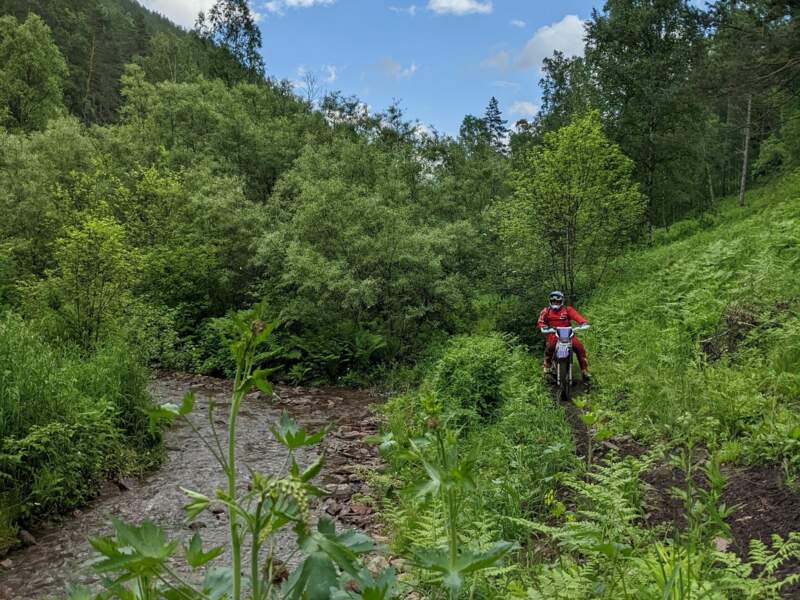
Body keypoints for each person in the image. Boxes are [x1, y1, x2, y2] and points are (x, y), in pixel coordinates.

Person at [537, 290, 590, 379]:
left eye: (558, 301)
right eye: (554, 301)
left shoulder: (567, 309)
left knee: (579, 347)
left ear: (562, 301)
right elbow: (541, 321)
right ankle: (547, 365)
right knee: (550, 347)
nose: (556, 303)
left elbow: (577, 316)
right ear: (550, 301)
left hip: (567, 333)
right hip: (553, 333)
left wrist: (583, 323)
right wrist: (543, 327)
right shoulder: (546, 311)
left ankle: (584, 370)